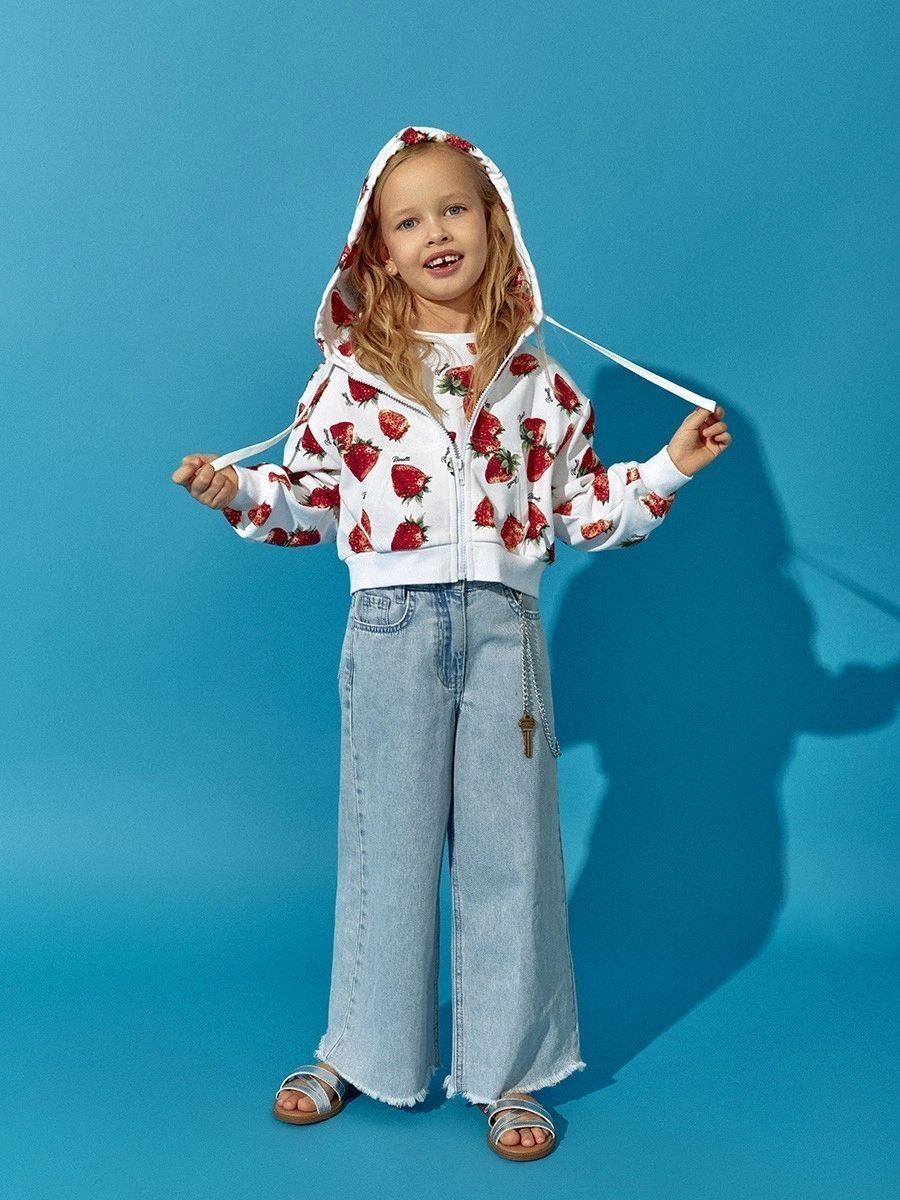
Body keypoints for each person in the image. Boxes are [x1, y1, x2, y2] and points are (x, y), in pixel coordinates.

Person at [171, 125, 730, 1162]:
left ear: (493, 225)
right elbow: (310, 501)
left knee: (511, 856)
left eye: (454, 209)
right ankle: (360, 1050)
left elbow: (581, 511)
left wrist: (670, 466)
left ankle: (511, 1071)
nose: (435, 231)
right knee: (385, 848)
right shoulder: (347, 381)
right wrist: (235, 491)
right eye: (409, 219)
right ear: (377, 251)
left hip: (506, 632)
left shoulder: (541, 384)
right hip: (389, 627)